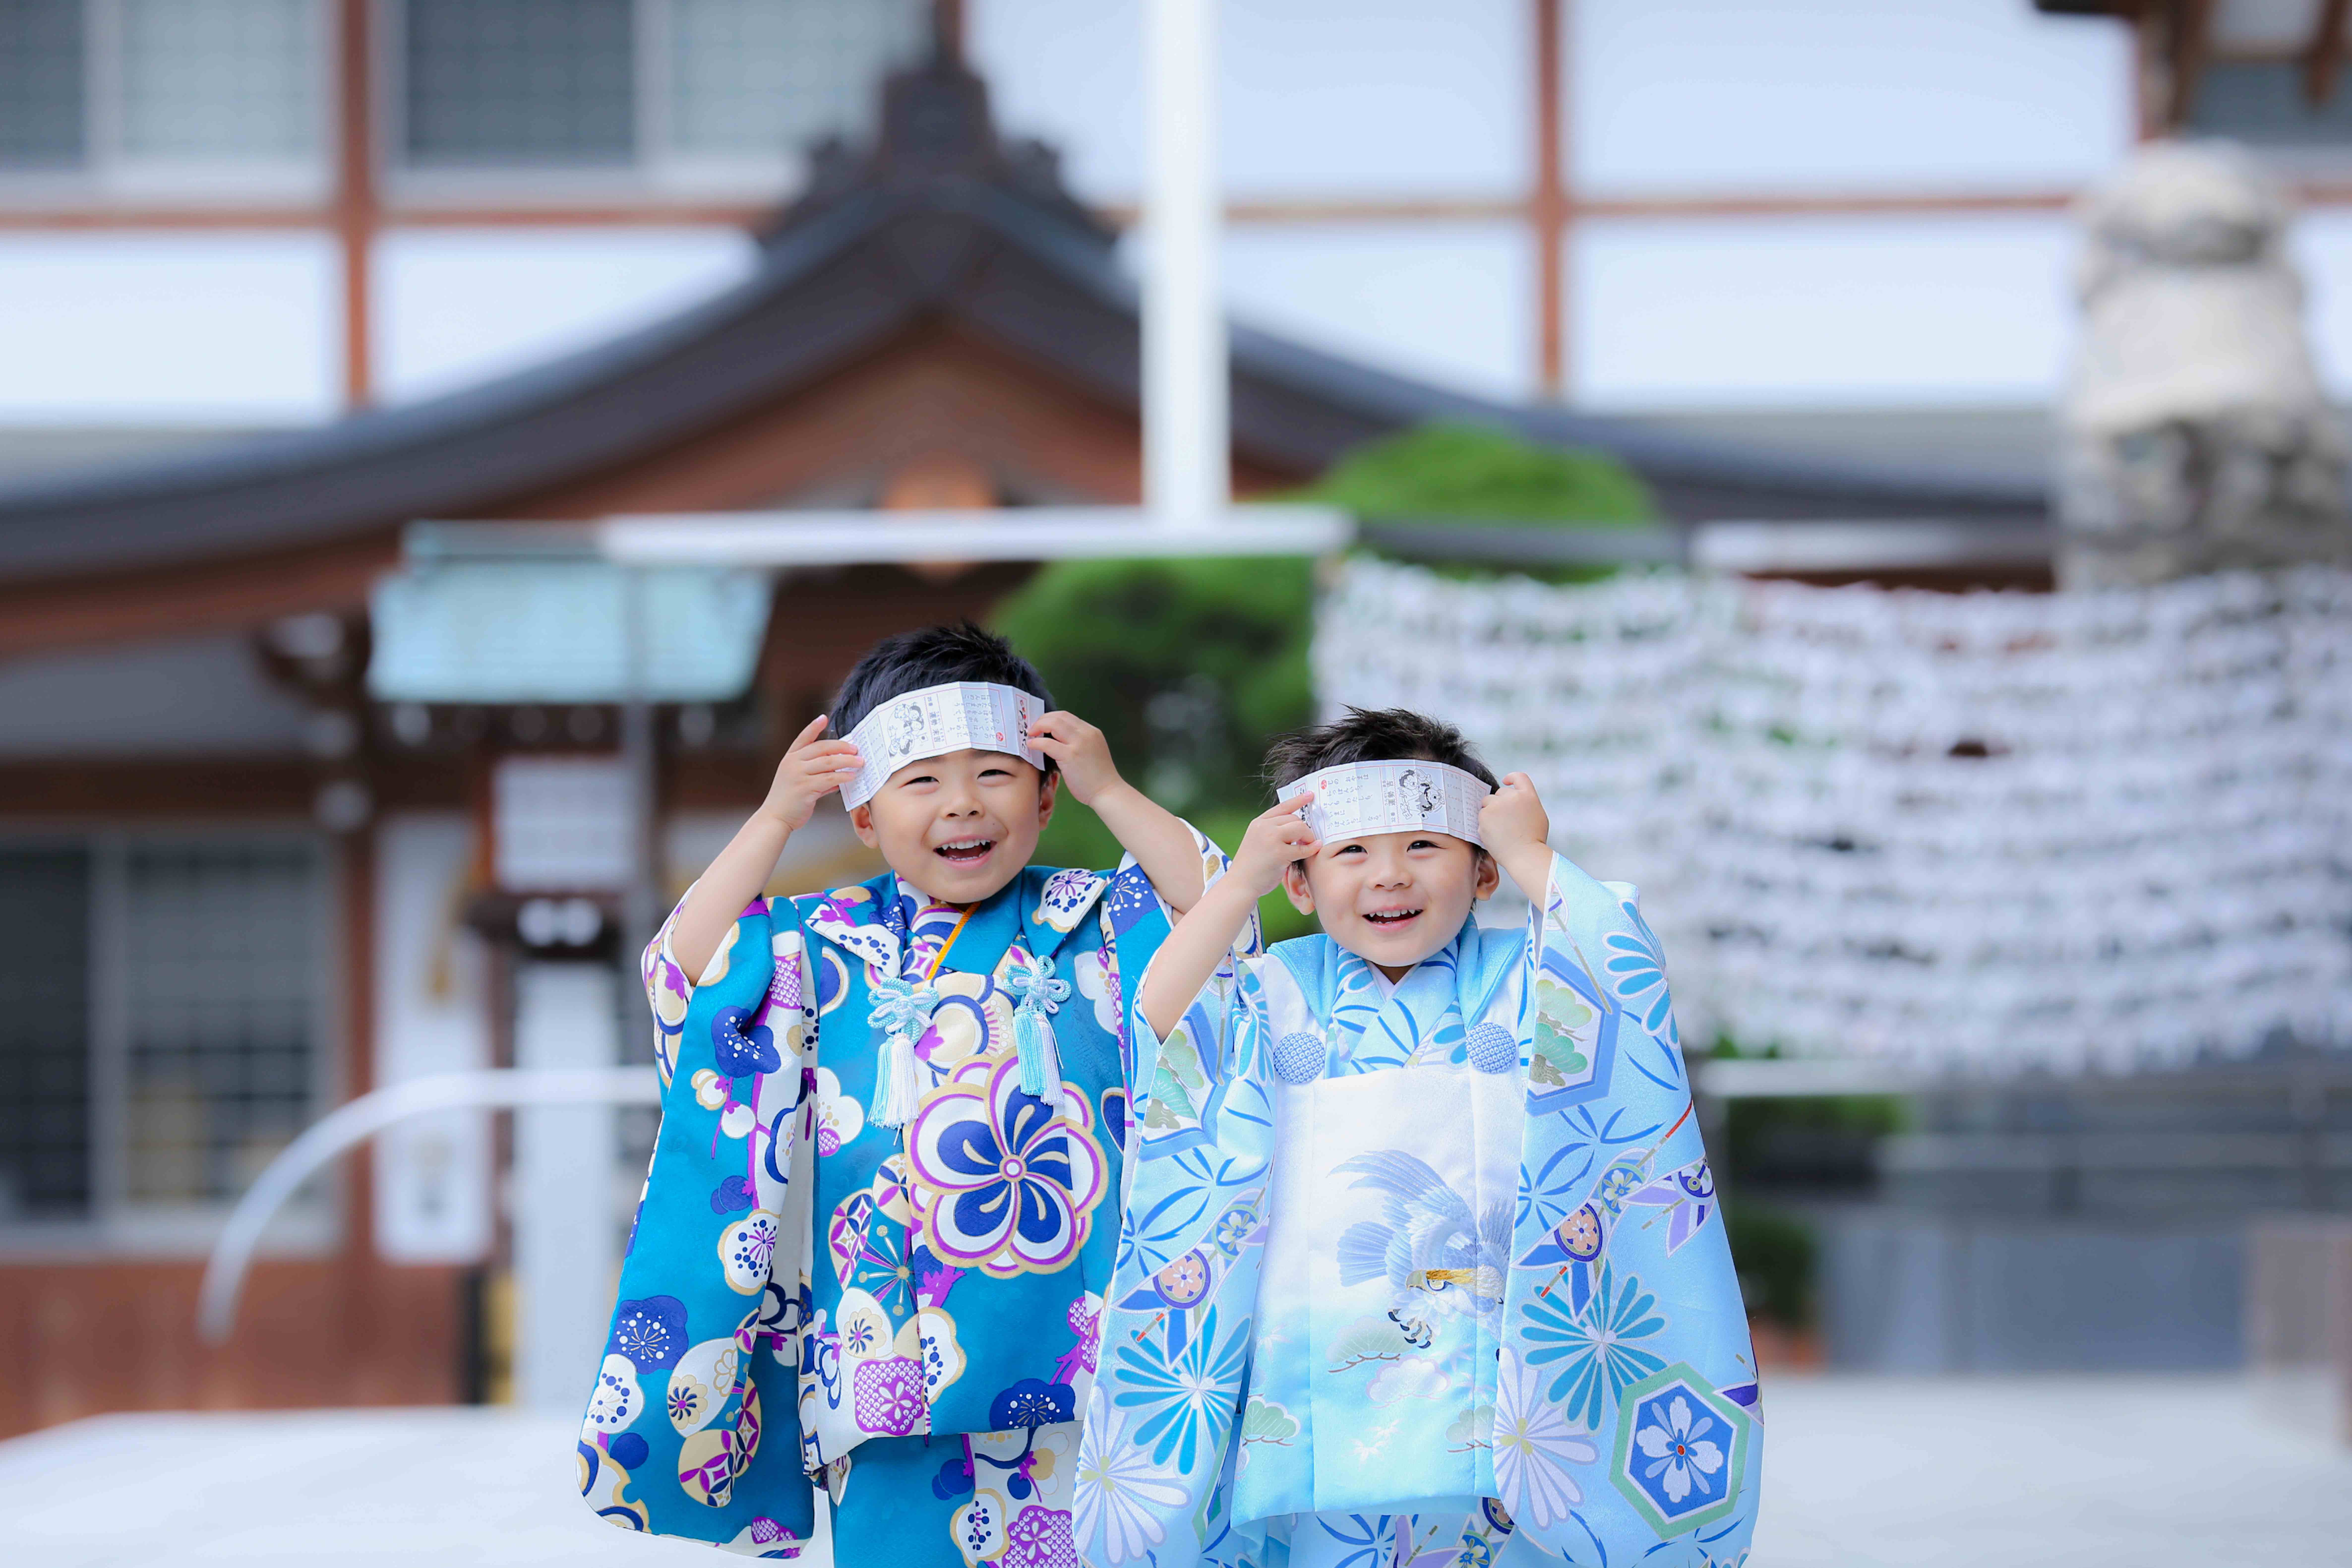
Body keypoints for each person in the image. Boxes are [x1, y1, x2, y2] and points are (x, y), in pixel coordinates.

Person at [582, 623, 1241, 1563]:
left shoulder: (1099, 920)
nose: (962, 803)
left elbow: (1220, 917)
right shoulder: (819, 941)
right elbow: (686, 980)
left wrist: (1112, 789)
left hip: (1088, 1354)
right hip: (883, 1359)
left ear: (1046, 792)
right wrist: (773, 820)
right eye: (922, 780)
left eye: (995, 773)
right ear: (863, 815)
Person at [1074, 709, 1759, 1568]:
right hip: (1324, 1380)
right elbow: (1165, 1014)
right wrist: (1240, 883)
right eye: (1352, 851)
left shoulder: (1527, 978)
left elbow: (1623, 971)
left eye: (1425, 846)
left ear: (1482, 870)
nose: (1389, 874)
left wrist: (1531, 851)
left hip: (1506, 1380)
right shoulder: (1280, 989)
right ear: (1300, 883)